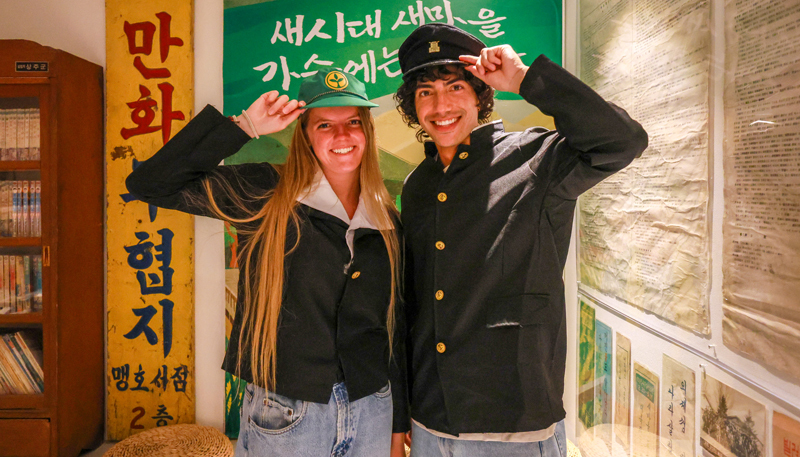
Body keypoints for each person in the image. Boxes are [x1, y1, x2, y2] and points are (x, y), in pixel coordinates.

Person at [126, 68, 409, 457]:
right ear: (306, 135)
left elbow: (393, 327)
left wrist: (397, 423)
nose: (342, 136)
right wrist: (244, 126)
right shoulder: (264, 192)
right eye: (325, 124)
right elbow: (150, 184)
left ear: (367, 132)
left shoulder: (387, 217)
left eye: (353, 123)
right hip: (287, 411)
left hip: (372, 406)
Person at [394, 23, 648, 456]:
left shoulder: (536, 158)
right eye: (425, 93)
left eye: (455, 87)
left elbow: (622, 142)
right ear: (413, 107)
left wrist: (525, 80)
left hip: (512, 425)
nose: (441, 105)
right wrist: (404, 417)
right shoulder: (418, 186)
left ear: (480, 95)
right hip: (431, 423)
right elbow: (410, 307)